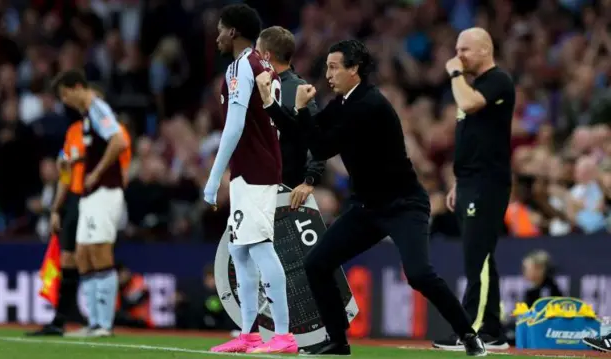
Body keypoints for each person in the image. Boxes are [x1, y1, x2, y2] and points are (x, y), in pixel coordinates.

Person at [256, 39, 486, 357]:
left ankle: (468, 334)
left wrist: (300, 110)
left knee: (419, 274)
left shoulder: (370, 105)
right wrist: (270, 103)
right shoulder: (344, 103)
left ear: (355, 70)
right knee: (317, 264)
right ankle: (338, 340)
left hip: (404, 204)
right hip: (367, 207)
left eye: (334, 67)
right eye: (327, 67)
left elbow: (321, 147)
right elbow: (300, 133)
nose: (328, 74)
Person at [203, 4, 298, 354]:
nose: (216, 36)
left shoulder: (242, 64)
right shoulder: (261, 65)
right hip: (254, 166)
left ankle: (284, 336)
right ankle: (249, 333)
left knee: (259, 247)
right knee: (241, 252)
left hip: (254, 168)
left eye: (219, 29)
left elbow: (235, 125)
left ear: (232, 32)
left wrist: (214, 179)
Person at [433, 27, 515, 351]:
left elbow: (468, 103)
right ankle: (492, 330)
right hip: (470, 181)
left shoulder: (497, 81)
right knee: (482, 259)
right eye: (456, 50)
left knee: (476, 259)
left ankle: (472, 331)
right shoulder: (474, 86)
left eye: (465, 50)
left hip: (488, 182)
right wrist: (457, 181)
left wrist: (455, 74)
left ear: (485, 50)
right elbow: (471, 140)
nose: (458, 56)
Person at [27, 87, 132, 337]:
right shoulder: (75, 130)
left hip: (101, 194)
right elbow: (65, 171)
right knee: (74, 258)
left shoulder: (111, 130)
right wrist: (57, 207)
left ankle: (99, 321)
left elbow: (121, 163)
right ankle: (79, 319)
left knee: (97, 253)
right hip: (76, 198)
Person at [51, 70, 129, 337]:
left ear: (76, 88)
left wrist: (96, 173)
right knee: (83, 254)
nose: (64, 101)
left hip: (104, 190)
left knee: (99, 251)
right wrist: (75, 164)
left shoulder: (97, 108)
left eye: (64, 94)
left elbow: (118, 141)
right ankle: (94, 322)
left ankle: (104, 324)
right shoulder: (86, 116)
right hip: (90, 194)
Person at [255, 26, 324, 206]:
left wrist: (309, 181)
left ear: (267, 56)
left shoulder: (298, 90)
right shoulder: (256, 87)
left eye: (257, 52)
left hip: (286, 192)